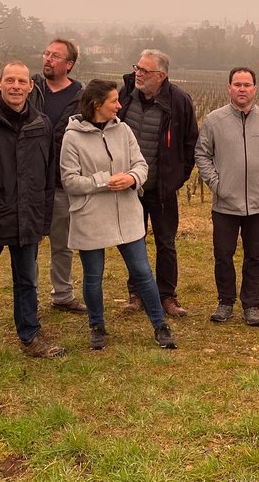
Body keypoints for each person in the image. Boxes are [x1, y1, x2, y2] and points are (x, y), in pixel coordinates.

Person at [0, 35, 88, 314]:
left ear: (69, 64)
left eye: (55, 55)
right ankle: (27, 303)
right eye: (46, 53)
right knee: (22, 256)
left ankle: (62, 294)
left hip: (60, 180)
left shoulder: (80, 96)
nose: (48, 58)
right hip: (20, 181)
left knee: (62, 243)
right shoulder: (32, 89)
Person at [0, 62, 65, 372]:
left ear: (30, 87)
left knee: (26, 282)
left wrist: (43, 218)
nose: (16, 86)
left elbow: (47, 176)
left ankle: (30, 336)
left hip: (27, 217)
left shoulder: (41, 124)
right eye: (10, 80)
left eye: (22, 81)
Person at [59, 79, 178, 351]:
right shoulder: (72, 137)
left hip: (126, 213)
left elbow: (141, 164)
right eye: (113, 101)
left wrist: (132, 178)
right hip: (90, 216)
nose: (119, 105)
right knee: (93, 275)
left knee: (142, 271)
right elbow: (70, 181)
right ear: (96, 105)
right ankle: (97, 327)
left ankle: (160, 326)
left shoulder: (123, 130)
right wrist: (105, 181)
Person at [194, 67, 259, 327]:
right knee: (223, 254)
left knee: (254, 256)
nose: (242, 89)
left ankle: (251, 304)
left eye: (247, 84)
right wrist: (216, 183)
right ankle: (225, 302)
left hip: (257, 203)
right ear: (229, 88)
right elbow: (202, 154)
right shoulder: (214, 120)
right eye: (237, 84)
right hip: (225, 203)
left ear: (255, 88)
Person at [118, 49, 198, 318]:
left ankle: (167, 295)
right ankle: (136, 292)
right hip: (131, 186)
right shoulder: (125, 95)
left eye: (144, 70)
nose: (138, 74)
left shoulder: (179, 101)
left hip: (163, 188)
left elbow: (190, 144)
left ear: (161, 76)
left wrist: (177, 178)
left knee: (166, 242)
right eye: (137, 68)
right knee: (133, 240)